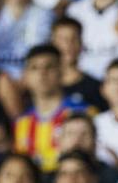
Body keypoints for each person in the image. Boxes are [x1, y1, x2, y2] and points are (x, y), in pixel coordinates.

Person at [14, 44, 90, 173]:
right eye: (34, 68)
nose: (42, 74)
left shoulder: (83, 113)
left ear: (61, 71)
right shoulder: (21, 123)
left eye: (49, 67)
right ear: (25, 76)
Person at [51, 16, 107, 111]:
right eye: (62, 39)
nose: (69, 44)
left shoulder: (96, 87)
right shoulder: (44, 86)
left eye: (74, 38)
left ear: (81, 43)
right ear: (53, 43)